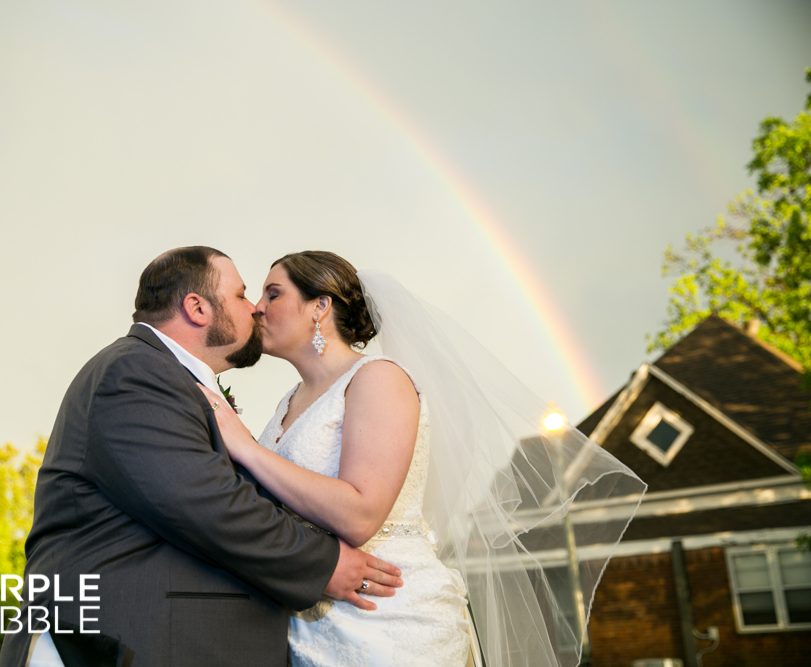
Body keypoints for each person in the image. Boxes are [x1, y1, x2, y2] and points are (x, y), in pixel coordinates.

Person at [198, 251, 647, 667]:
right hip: (308, 622)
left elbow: (360, 514)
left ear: (320, 306)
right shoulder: (287, 403)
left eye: (273, 293)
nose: (256, 308)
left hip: (390, 618)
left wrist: (248, 449)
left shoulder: (379, 380)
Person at [0, 246, 403, 667]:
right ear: (196, 307)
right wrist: (323, 565)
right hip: (112, 647)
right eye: (244, 295)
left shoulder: (165, 377)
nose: (255, 310)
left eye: (267, 296)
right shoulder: (135, 371)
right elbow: (202, 501)